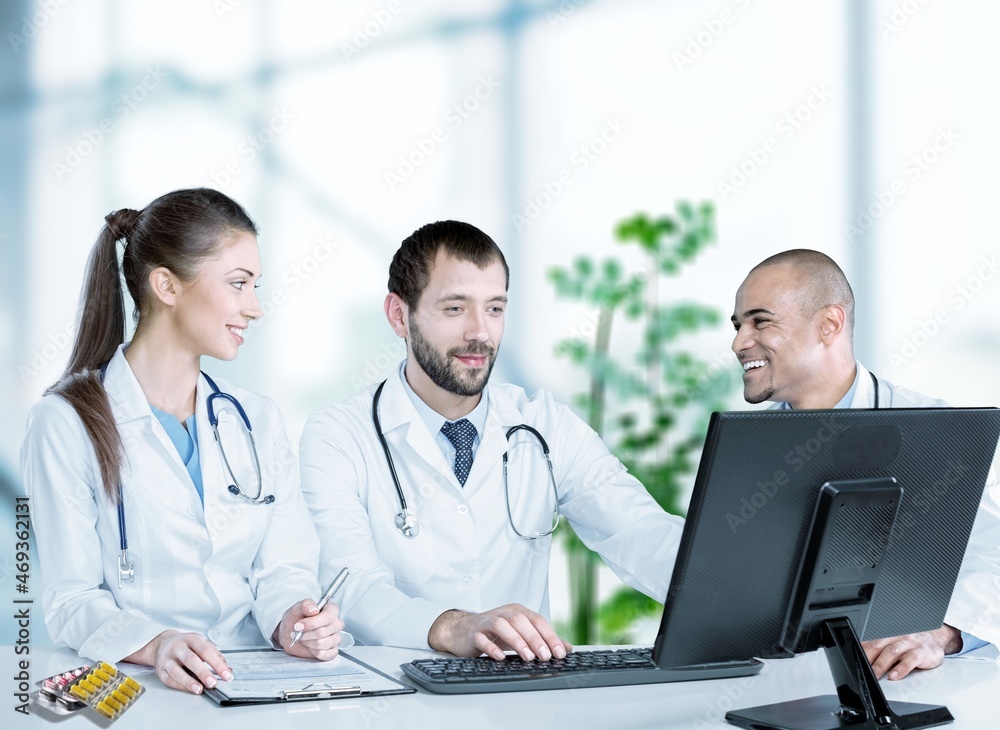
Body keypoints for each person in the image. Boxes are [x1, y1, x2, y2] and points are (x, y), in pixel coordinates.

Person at [300, 220, 684, 661]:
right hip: (397, 699)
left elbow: (640, 533)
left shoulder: (545, 425)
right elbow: (349, 585)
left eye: (495, 309)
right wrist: (454, 625)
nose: (480, 333)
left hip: (520, 696)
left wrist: (738, 583)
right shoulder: (338, 435)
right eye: (455, 309)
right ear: (398, 315)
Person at [20, 188, 346, 695]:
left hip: (250, 680)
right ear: (167, 287)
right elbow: (71, 600)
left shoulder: (256, 419)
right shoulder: (65, 423)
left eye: (255, 286)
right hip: (131, 687)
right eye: (238, 284)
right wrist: (157, 644)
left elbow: (283, 566)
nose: (255, 308)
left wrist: (292, 621)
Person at [730, 248, 1000, 680]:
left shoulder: (941, 433)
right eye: (738, 325)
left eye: (760, 321)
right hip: (770, 688)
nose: (739, 342)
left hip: (904, 686)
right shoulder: (741, 453)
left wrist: (943, 632)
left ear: (829, 324)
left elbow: (997, 553)